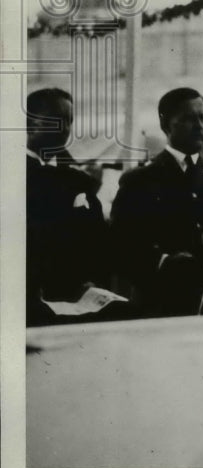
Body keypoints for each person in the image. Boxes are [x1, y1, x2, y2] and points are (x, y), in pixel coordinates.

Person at [110, 88, 203, 317]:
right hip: (165, 301)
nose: (199, 125)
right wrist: (163, 261)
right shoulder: (139, 182)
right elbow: (120, 245)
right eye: (188, 119)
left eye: (202, 117)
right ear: (166, 125)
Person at [26, 88, 112, 324]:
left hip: (76, 289)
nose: (66, 129)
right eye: (57, 120)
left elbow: (96, 236)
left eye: (69, 121)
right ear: (30, 124)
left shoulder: (75, 176)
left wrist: (92, 281)